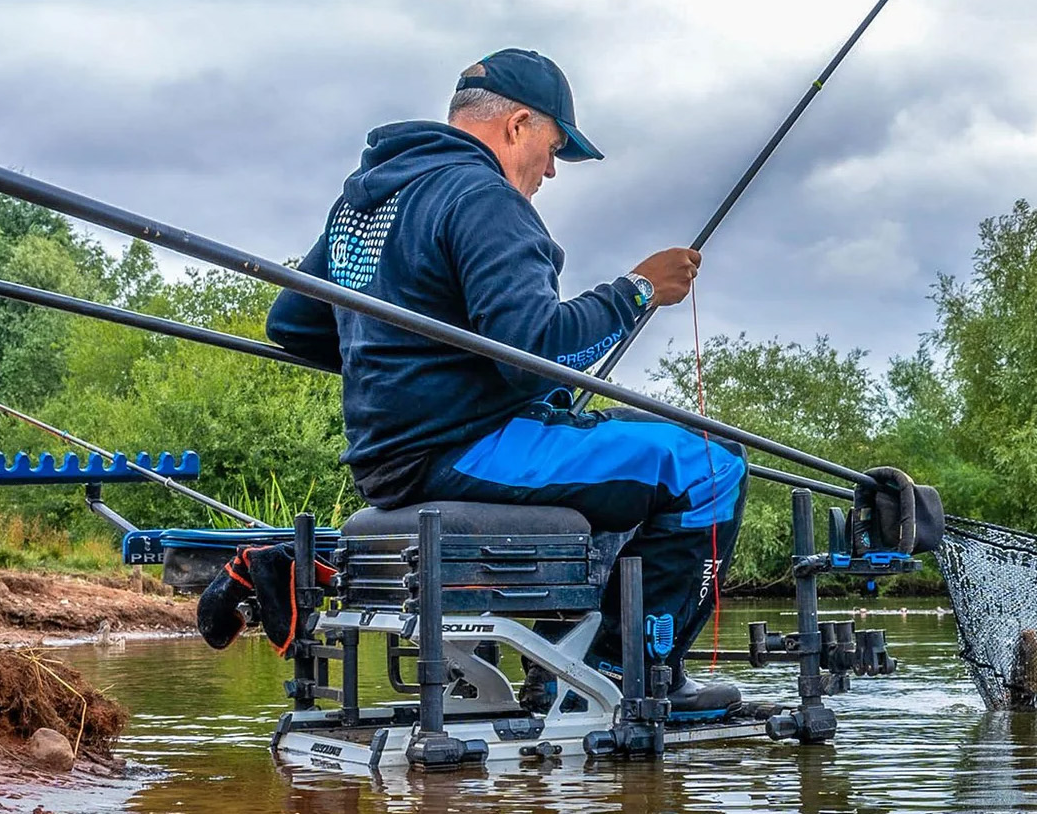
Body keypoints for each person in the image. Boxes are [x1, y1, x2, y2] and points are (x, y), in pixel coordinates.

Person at [266, 49, 746, 715]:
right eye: (552, 149)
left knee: (621, 461)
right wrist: (638, 290)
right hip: (469, 448)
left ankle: (562, 666)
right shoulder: (483, 196)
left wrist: (408, 364)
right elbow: (531, 349)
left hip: (388, 462)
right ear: (519, 123)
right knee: (710, 466)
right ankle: (629, 677)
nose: (550, 171)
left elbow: (293, 324)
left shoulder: (366, 202)